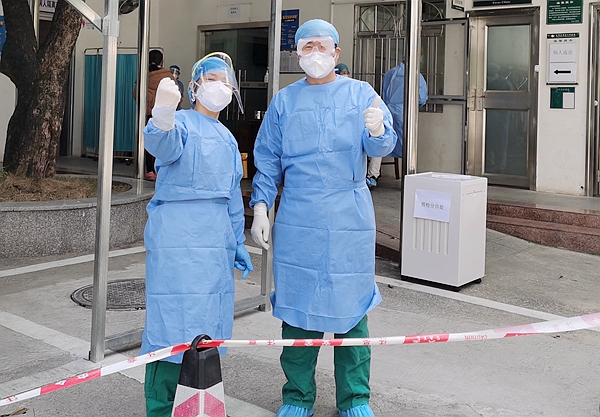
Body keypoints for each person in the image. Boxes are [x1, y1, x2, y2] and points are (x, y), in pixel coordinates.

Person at [250, 19, 396, 417]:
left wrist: (379, 131)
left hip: (349, 218)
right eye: (307, 47)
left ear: (337, 52)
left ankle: (355, 398)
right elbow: (268, 159)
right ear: (297, 54)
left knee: (352, 310)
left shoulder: (361, 94)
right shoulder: (284, 101)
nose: (315, 54)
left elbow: (383, 145)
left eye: (322, 46)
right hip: (299, 217)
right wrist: (261, 206)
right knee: (299, 312)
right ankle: (297, 397)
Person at [140, 52, 254, 417]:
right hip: (176, 240)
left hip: (215, 243)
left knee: (206, 329)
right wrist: (163, 114)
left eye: (225, 81)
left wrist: (238, 240)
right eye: (211, 79)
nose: (219, 86)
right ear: (193, 88)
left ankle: (198, 407)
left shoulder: (228, 139)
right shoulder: (182, 124)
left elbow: (232, 195)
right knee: (169, 328)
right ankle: (160, 407)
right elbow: (162, 144)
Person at [366, 62, 427, 188]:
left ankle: (372, 175)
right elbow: (421, 98)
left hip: (387, 111)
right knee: (407, 145)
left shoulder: (390, 73)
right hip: (405, 113)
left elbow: (383, 93)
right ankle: (407, 177)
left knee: (381, 140)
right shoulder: (416, 75)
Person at [133, 50, 178, 181]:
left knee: (148, 142)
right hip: (165, 116)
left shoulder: (143, 75)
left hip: (147, 115)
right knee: (165, 142)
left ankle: (150, 170)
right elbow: (177, 95)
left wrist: (149, 100)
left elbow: (136, 94)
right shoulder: (168, 76)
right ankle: (161, 170)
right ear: (162, 61)